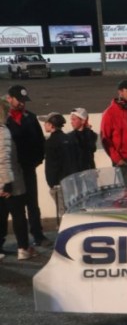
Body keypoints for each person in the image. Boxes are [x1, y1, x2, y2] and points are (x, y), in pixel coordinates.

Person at [0, 85, 48, 248]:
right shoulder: (3, 120)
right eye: (19, 100)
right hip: (9, 171)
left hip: (27, 168)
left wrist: (37, 160)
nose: (22, 103)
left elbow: (40, 141)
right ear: (9, 99)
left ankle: (38, 235)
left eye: (24, 100)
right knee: (6, 208)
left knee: (32, 204)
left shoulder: (30, 118)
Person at [0, 100, 35, 261]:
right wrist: (7, 182)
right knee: (19, 215)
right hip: (10, 181)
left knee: (1, 216)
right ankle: (23, 248)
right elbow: (4, 159)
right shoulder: (3, 132)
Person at [42, 112, 81, 222]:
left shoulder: (50, 142)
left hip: (58, 184)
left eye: (46, 123)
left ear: (51, 125)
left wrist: (51, 183)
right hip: (72, 181)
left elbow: (51, 166)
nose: (44, 125)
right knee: (73, 209)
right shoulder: (70, 139)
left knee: (63, 212)